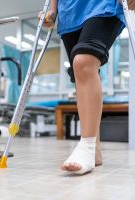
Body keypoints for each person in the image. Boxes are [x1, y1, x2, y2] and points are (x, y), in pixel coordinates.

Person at [39, 0, 135, 175]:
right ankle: (95, 150)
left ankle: (87, 147)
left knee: (83, 62)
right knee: (81, 74)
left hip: (102, 5)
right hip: (69, 11)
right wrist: (52, 10)